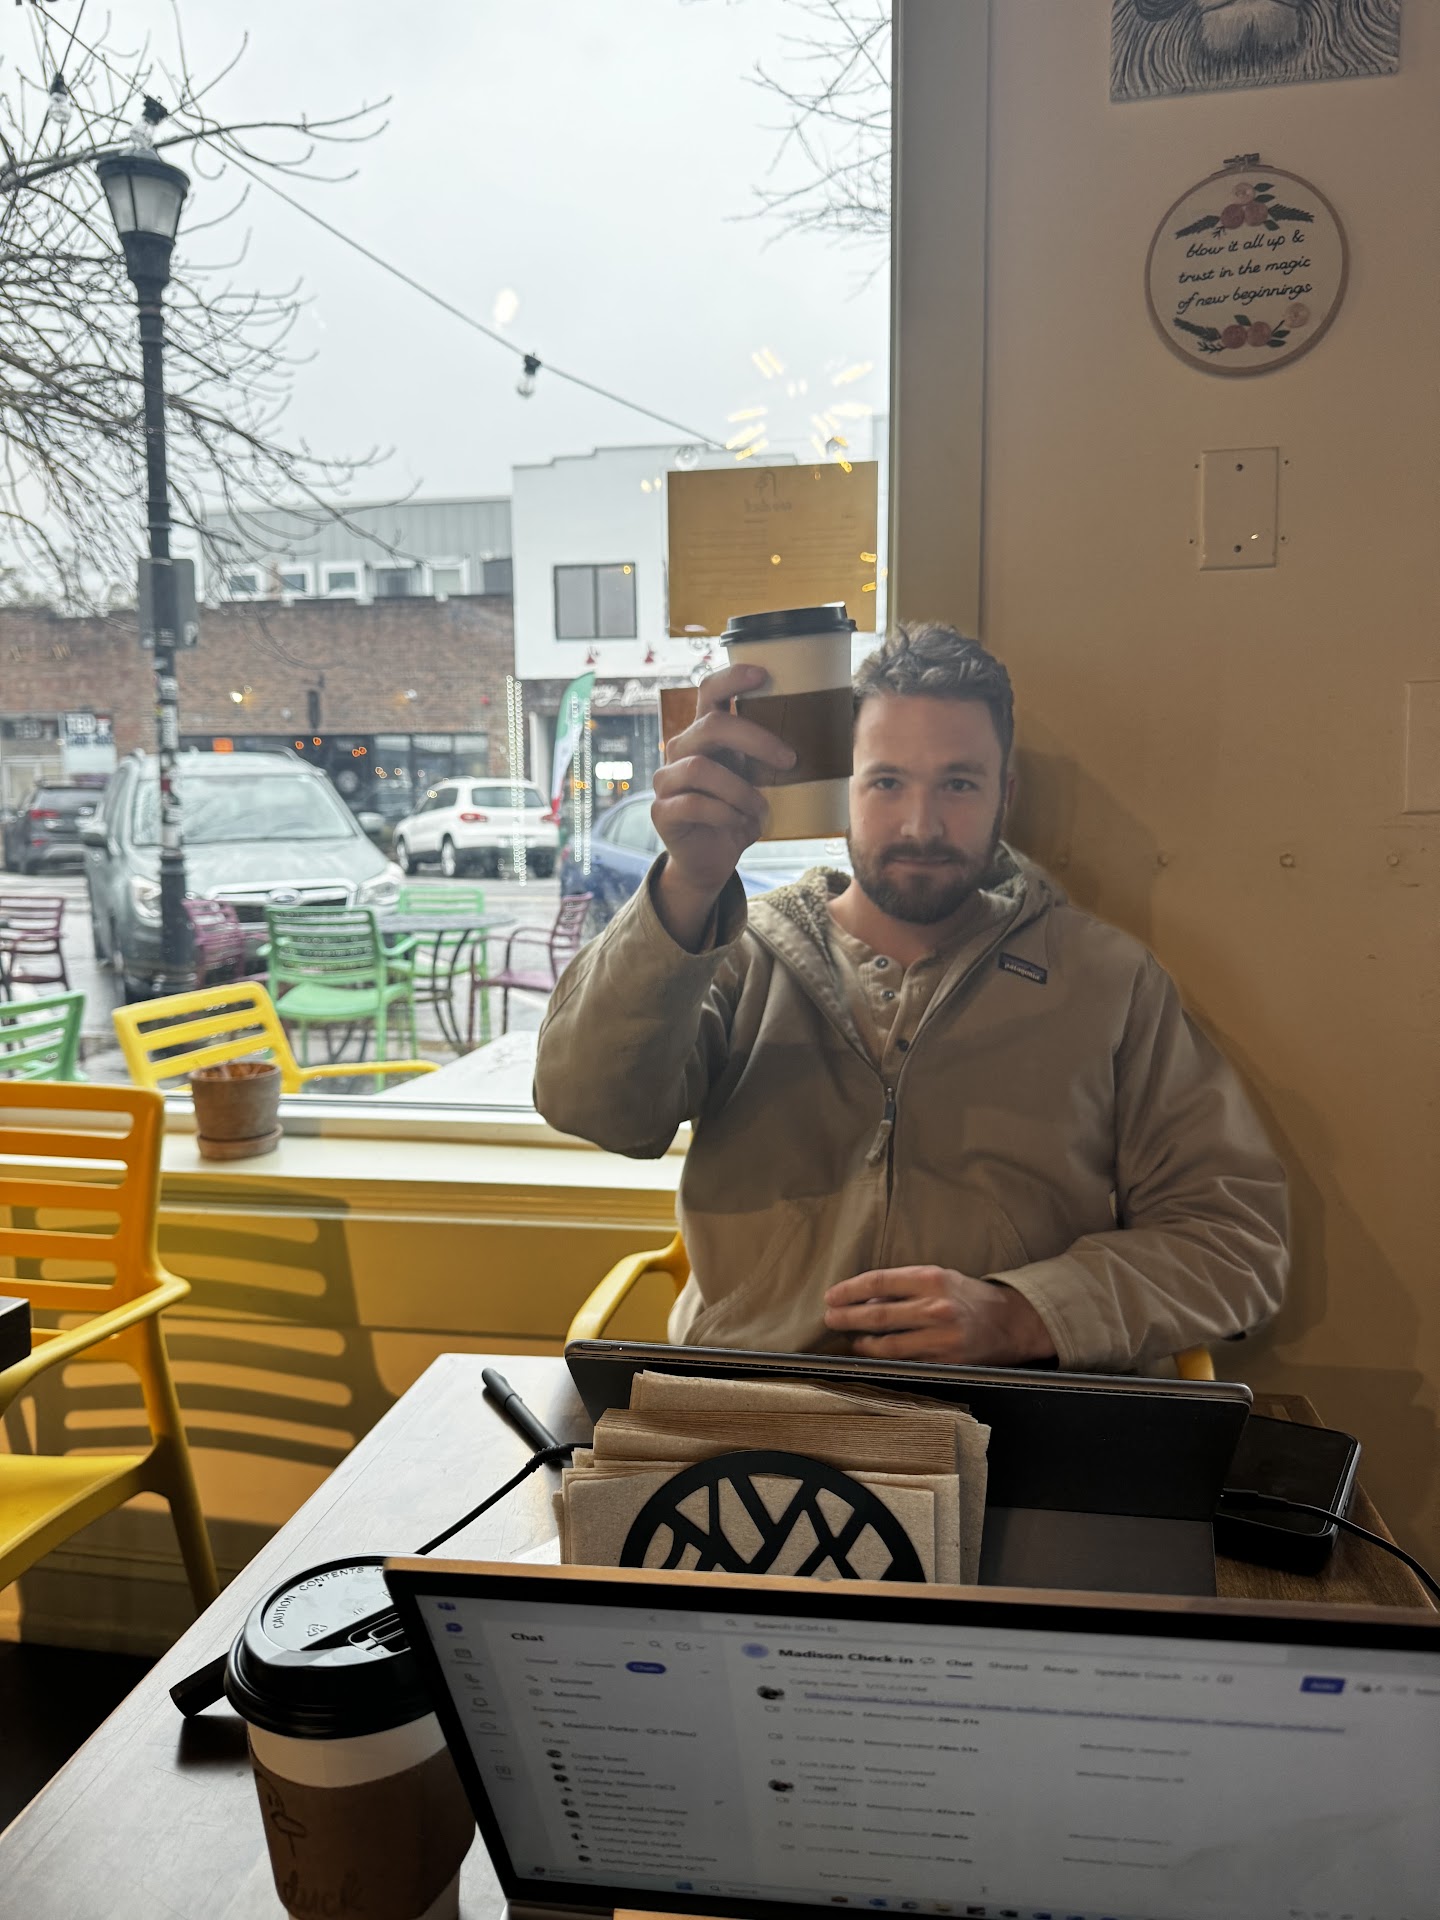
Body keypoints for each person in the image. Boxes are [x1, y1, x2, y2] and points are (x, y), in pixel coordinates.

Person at [535, 625, 1287, 1372]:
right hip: (755, 1405)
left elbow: (1236, 1243)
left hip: (1014, 1415)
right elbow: (590, 1106)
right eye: (887, 782)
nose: (921, 827)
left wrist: (1027, 1314)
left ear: (1005, 795)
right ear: (845, 789)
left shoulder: (1107, 980)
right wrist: (689, 884)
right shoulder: (733, 954)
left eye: (958, 784)